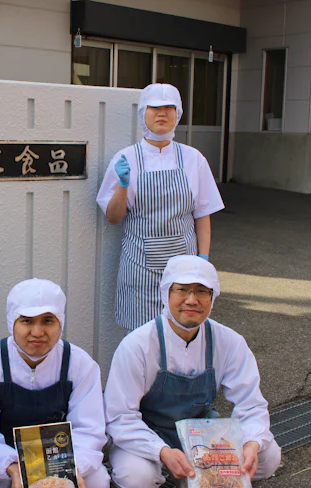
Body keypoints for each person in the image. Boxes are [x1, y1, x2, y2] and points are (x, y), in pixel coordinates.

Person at [104, 255, 281, 487]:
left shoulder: (229, 342)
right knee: (136, 477)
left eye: (201, 291)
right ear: (166, 294)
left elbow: (251, 405)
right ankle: (174, 471)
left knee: (268, 457)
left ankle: (191, 475)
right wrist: (162, 451)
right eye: (182, 290)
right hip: (146, 431)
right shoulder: (137, 345)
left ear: (212, 297)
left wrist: (251, 443)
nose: (191, 300)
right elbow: (120, 416)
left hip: (200, 433)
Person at [96, 83, 224, 330]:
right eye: (154, 108)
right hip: (139, 266)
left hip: (185, 267)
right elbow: (113, 217)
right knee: (141, 335)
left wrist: (203, 259)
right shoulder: (126, 158)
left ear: (179, 113)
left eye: (169, 108)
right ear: (143, 113)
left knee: (182, 331)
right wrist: (122, 184)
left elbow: (202, 214)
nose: (162, 113)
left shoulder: (193, 159)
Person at [0, 278, 110, 488]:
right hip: (5, 463)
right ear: (11, 322)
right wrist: (14, 467)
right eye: (27, 321)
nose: (37, 332)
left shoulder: (80, 364)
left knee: (99, 480)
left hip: (63, 462)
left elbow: (88, 430)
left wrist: (70, 469)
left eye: (48, 321)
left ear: (60, 323)